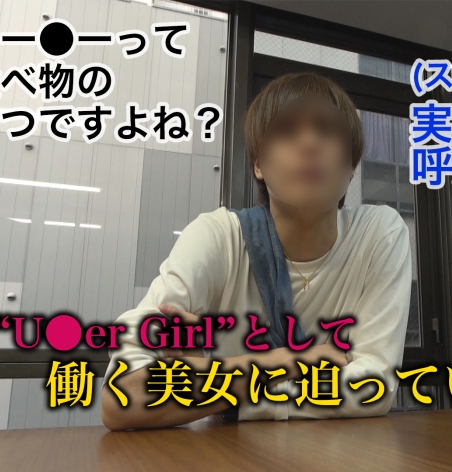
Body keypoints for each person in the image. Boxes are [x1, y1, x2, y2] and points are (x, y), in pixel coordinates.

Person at [101, 72, 412, 431]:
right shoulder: (219, 236)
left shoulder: (379, 233)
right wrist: (288, 361)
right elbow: (122, 396)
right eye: (286, 131)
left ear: (351, 167)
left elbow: (372, 388)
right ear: (258, 166)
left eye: (327, 130)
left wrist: (219, 384)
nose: (309, 143)